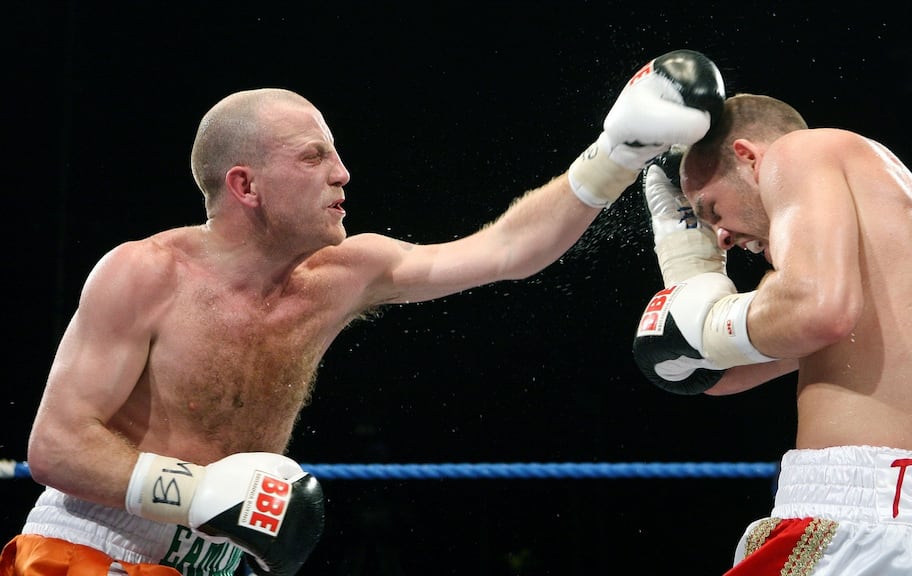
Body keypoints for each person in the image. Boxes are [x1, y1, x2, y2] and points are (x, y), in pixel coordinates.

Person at [0, 49, 725, 576]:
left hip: (221, 558)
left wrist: (615, 154)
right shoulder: (144, 275)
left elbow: (509, 250)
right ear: (246, 184)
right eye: (314, 157)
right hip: (90, 550)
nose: (343, 173)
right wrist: (196, 493)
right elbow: (56, 446)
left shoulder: (347, 273)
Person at [632, 93, 912, 574]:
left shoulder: (799, 151)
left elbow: (818, 310)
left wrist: (709, 319)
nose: (723, 237)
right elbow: (718, 373)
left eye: (711, 209)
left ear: (749, 157)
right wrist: (689, 272)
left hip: (860, 518)